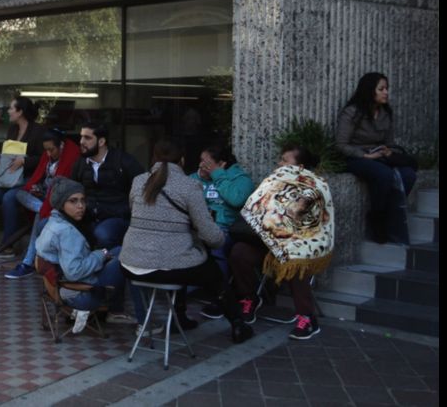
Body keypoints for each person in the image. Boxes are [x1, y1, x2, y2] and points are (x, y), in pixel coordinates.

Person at [119, 139, 253, 344]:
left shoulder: (138, 181)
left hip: (129, 264)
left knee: (182, 255)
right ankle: (237, 324)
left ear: (154, 158)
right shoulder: (190, 186)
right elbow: (212, 236)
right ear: (181, 160)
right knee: (207, 268)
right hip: (165, 266)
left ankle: (179, 316)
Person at [229, 145, 332, 340]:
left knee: (295, 259)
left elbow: (304, 220)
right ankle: (249, 298)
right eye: (281, 160)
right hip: (268, 243)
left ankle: (307, 318)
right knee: (239, 251)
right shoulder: (273, 183)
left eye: (285, 160)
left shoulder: (316, 187)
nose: (279, 164)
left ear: (299, 166)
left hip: (298, 245)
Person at [35, 178, 141, 334]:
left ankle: (119, 311)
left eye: (83, 200)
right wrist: (100, 255)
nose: (80, 206)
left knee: (118, 250)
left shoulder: (53, 223)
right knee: (127, 256)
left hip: (64, 288)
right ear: (61, 203)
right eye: (73, 201)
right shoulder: (66, 231)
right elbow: (74, 272)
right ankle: (140, 319)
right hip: (80, 296)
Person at [336, 72, 416, 244]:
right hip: (356, 158)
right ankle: (376, 217)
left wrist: (388, 151)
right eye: (381, 89)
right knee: (384, 175)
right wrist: (365, 155)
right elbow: (341, 145)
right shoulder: (352, 113)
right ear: (369, 91)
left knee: (408, 174)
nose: (386, 92)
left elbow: (391, 143)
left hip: (380, 156)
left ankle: (391, 215)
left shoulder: (386, 113)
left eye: (387, 89)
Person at [189, 143, 255, 319]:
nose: (202, 165)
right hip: (196, 227)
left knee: (217, 245)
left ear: (222, 163)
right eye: (201, 161)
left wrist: (217, 176)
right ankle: (179, 291)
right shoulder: (196, 178)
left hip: (225, 229)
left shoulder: (240, 179)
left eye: (206, 162)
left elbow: (235, 200)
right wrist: (198, 180)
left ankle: (221, 298)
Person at [0, 96, 46, 257]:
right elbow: (7, 157)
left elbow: (43, 158)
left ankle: (8, 246)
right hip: (8, 178)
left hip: (27, 179)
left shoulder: (38, 131)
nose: (8, 111)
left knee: (9, 199)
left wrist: (25, 161)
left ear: (20, 112)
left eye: (11, 108)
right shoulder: (12, 130)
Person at [5, 130, 81, 279]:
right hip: (43, 197)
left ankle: (27, 263)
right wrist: (37, 189)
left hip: (59, 198)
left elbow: (63, 187)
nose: (48, 153)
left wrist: (47, 201)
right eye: (46, 150)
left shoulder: (71, 156)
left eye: (51, 149)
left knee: (41, 214)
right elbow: (39, 176)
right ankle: (43, 209)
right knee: (19, 194)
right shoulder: (48, 156)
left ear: (61, 145)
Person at [70, 122, 145, 248]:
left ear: (101, 142)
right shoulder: (80, 163)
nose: (81, 141)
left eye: (87, 138)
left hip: (118, 217)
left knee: (102, 235)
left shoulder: (124, 162)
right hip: (88, 216)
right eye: (81, 137)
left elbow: (144, 191)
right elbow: (71, 190)